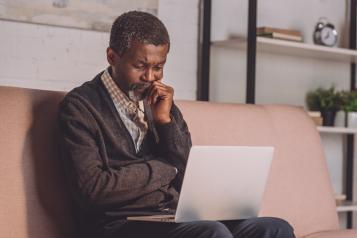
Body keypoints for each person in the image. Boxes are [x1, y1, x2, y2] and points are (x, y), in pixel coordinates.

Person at [58, 11, 295, 238]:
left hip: (171, 219)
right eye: (140, 66)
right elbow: (92, 189)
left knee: (274, 229)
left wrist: (165, 122)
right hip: (117, 225)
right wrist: (166, 168)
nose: (150, 77)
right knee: (212, 233)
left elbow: (187, 174)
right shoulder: (80, 107)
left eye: (158, 67)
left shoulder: (163, 103)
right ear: (112, 57)